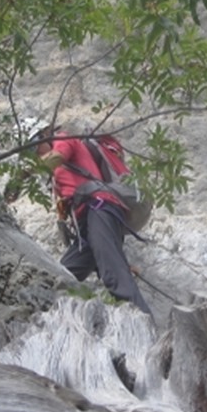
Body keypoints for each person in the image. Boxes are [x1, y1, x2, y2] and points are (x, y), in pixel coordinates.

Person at [36, 127, 153, 317]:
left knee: (114, 275)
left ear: (43, 137)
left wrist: (23, 174)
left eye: (35, 149)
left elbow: (59, 155)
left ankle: (143, 323)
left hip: (99, 206)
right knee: (63, 278)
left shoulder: (64, 138)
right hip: (87, 223)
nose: (36, 155)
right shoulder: (55, 174)